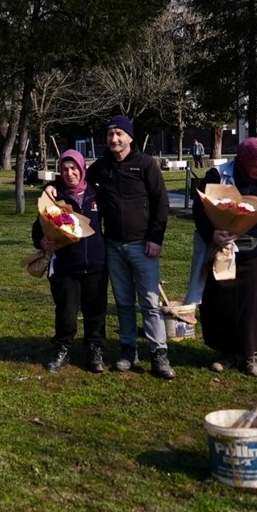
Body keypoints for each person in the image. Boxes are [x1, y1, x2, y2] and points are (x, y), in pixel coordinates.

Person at [186, 138, 257, 377]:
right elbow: (200, 208)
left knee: (253, 303)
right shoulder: (218, 175)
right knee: (221, 302)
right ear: (243, 160)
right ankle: (226, 353)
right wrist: (213, 234)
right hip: (224, 250)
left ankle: (251, 354)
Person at [83, 114, 174, 379]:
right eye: (110, 134)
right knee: (123, 302)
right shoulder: (101, 167)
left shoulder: (145, 165)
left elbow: (161, 203)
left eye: (119, 134)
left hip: (143, 245)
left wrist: (155, 238)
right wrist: (53, 188)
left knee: (149, 302)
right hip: (113, 245)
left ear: (130, 137)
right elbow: (77, 183)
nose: (114, 139)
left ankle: (159, 354)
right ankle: (127, 350)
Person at [33, 149, 107, 374]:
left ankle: (95, 350)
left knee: (95, 311)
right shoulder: (54, 198)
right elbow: (38, 229)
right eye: (64, 169)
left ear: (82, 169)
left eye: (74, 168)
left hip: (96, 264)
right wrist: (41, 241)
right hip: (66, 266)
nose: (69, 173)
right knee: (66, 311)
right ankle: (62, 348)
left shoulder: (97, 194)